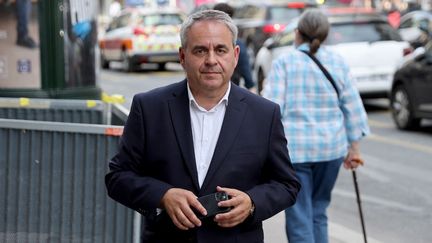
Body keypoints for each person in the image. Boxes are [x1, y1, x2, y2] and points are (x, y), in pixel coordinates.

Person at [105, 9, 300, 243]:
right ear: (182, 56)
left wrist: (252, 203)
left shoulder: (264, 113)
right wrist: (162, 196)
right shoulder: (149, 107)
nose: (211, 60)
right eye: (200, 50)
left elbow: (286, 184)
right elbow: (118, 177)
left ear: (235, 55)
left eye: (220, 49)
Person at [262, 9, 370, 243]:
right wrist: (355, 148)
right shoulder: (338, 62)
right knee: (319, 211)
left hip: (296, 151)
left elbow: (272, 108)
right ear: (326, 34)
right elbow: (351, 105)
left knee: (299, 215)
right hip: (331, 149)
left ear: (298, 33)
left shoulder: (285, 63)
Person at [213, 3, 257, 93]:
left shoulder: (202, 41)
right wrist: (251, 87)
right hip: (229, 92)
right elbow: (246, 71)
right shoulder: (236, 43)